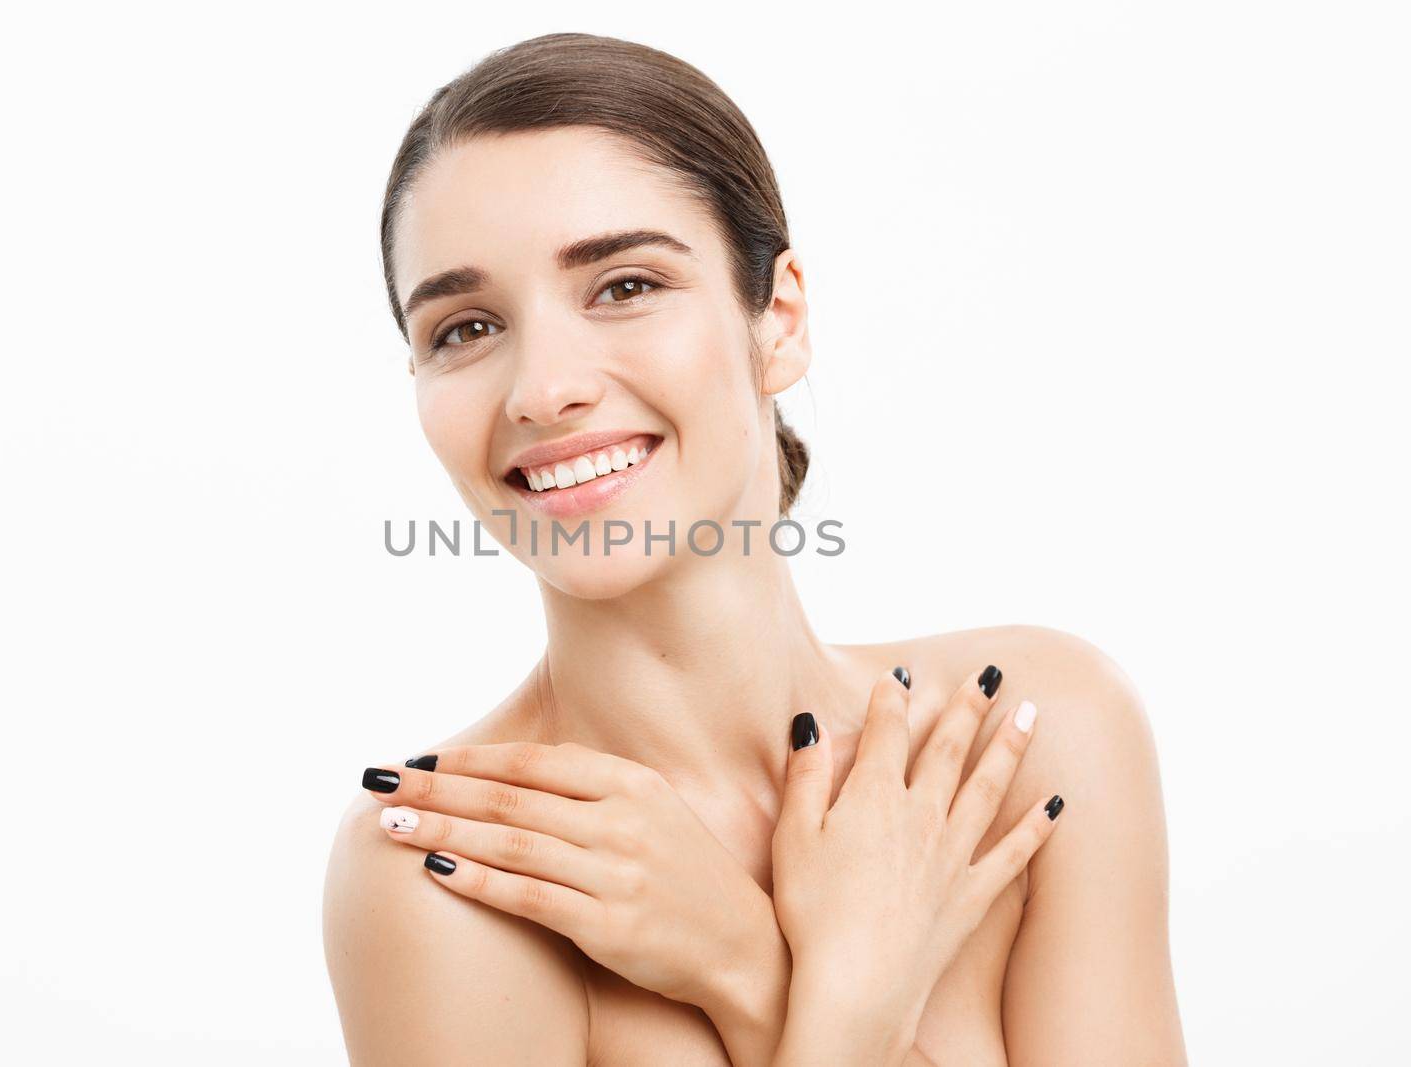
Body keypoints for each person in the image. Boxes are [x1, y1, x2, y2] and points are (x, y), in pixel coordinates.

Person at [324, 32, 1186, 1066]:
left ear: (776, 318)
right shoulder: (456, 868)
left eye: (623, 284)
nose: (541, 388)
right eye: (464, 327)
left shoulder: (1035, 734)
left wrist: (741, 958)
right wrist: (812, 997)